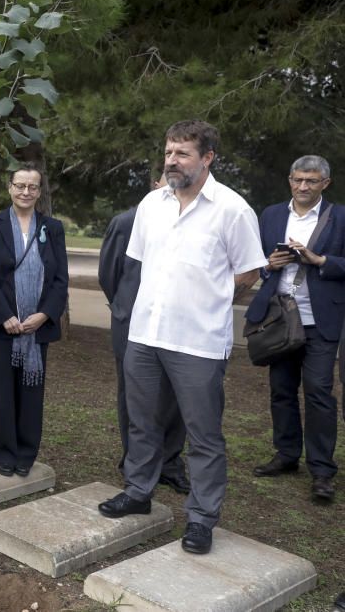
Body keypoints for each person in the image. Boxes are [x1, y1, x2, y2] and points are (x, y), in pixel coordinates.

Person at [97, 120, 266, 556]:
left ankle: (201, 518)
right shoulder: (152, 203)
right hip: (145, 336)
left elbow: (248, 271)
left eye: (182, 153)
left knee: (203, 434)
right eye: (169, 152)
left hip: (198, 343)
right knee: (142, 422)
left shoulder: (233, 209)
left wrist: (210, 299)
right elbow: (136, 262)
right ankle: (138, 492)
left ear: (207, 158)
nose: (172, 160)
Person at [245, 155, 342, 504]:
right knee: (281, 391)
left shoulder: (340, 217)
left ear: (324, 184)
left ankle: (321, 470)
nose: (303, 187)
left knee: (318, 393)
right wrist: (268, 265)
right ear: (290, 179)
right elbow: (253, 260)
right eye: (298, 180)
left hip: (320, 321)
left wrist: (321, 261)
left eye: (311, 181)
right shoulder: (271, 214)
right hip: (280, 319)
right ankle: (286, 456)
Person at [98, 175, 190, 494]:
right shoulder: (126, 221)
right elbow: (109, 275)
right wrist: (125, 307)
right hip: (132, 323)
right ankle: (135, 458)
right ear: (154, 183)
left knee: (177, 395)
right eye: (168, 181)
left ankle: (170, 461)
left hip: (178, 326)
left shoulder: (193, 223)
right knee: (134, 396)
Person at [0, 165, 68, 478]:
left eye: (33, 187)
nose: (26, 192)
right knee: (3, 391)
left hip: (37, 327)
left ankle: (26, 453)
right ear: (9, 187)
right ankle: (4, 453)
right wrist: (4, 315)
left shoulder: (52, 227)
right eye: (20, 185)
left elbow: (60, 279)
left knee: (32, 392)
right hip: (3, 326)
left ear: (39, 190)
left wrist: (43, 315)